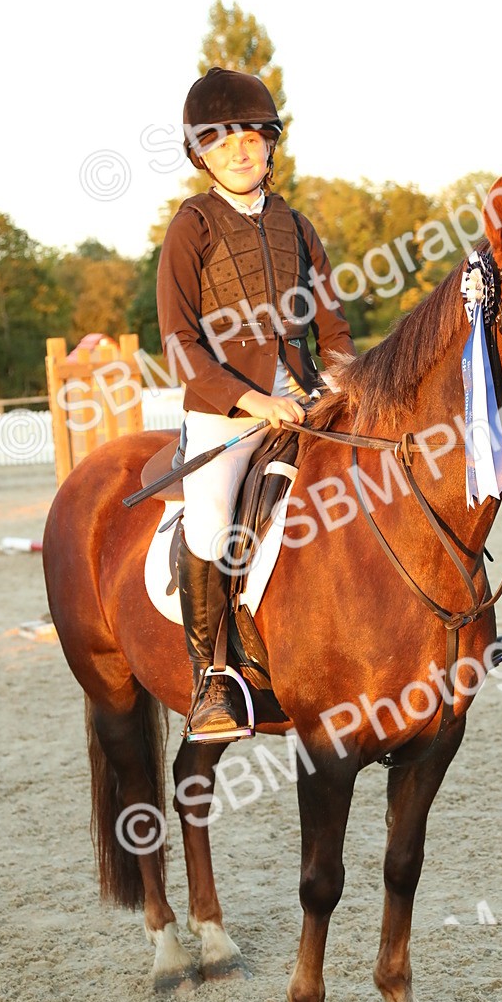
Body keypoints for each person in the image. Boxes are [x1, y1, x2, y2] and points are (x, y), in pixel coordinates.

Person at [157, 67, 356, 743]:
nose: (240, 150)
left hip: (304, 400)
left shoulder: (297, 227)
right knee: (212, 520)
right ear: (200, 154)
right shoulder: (192, 226)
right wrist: (246, 399)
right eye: (222, 141)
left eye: (252, 136)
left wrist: (342, 382)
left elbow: (332, 326)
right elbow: (179, 342)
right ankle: (210, 680)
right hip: (224, 410)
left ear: (271, 144)